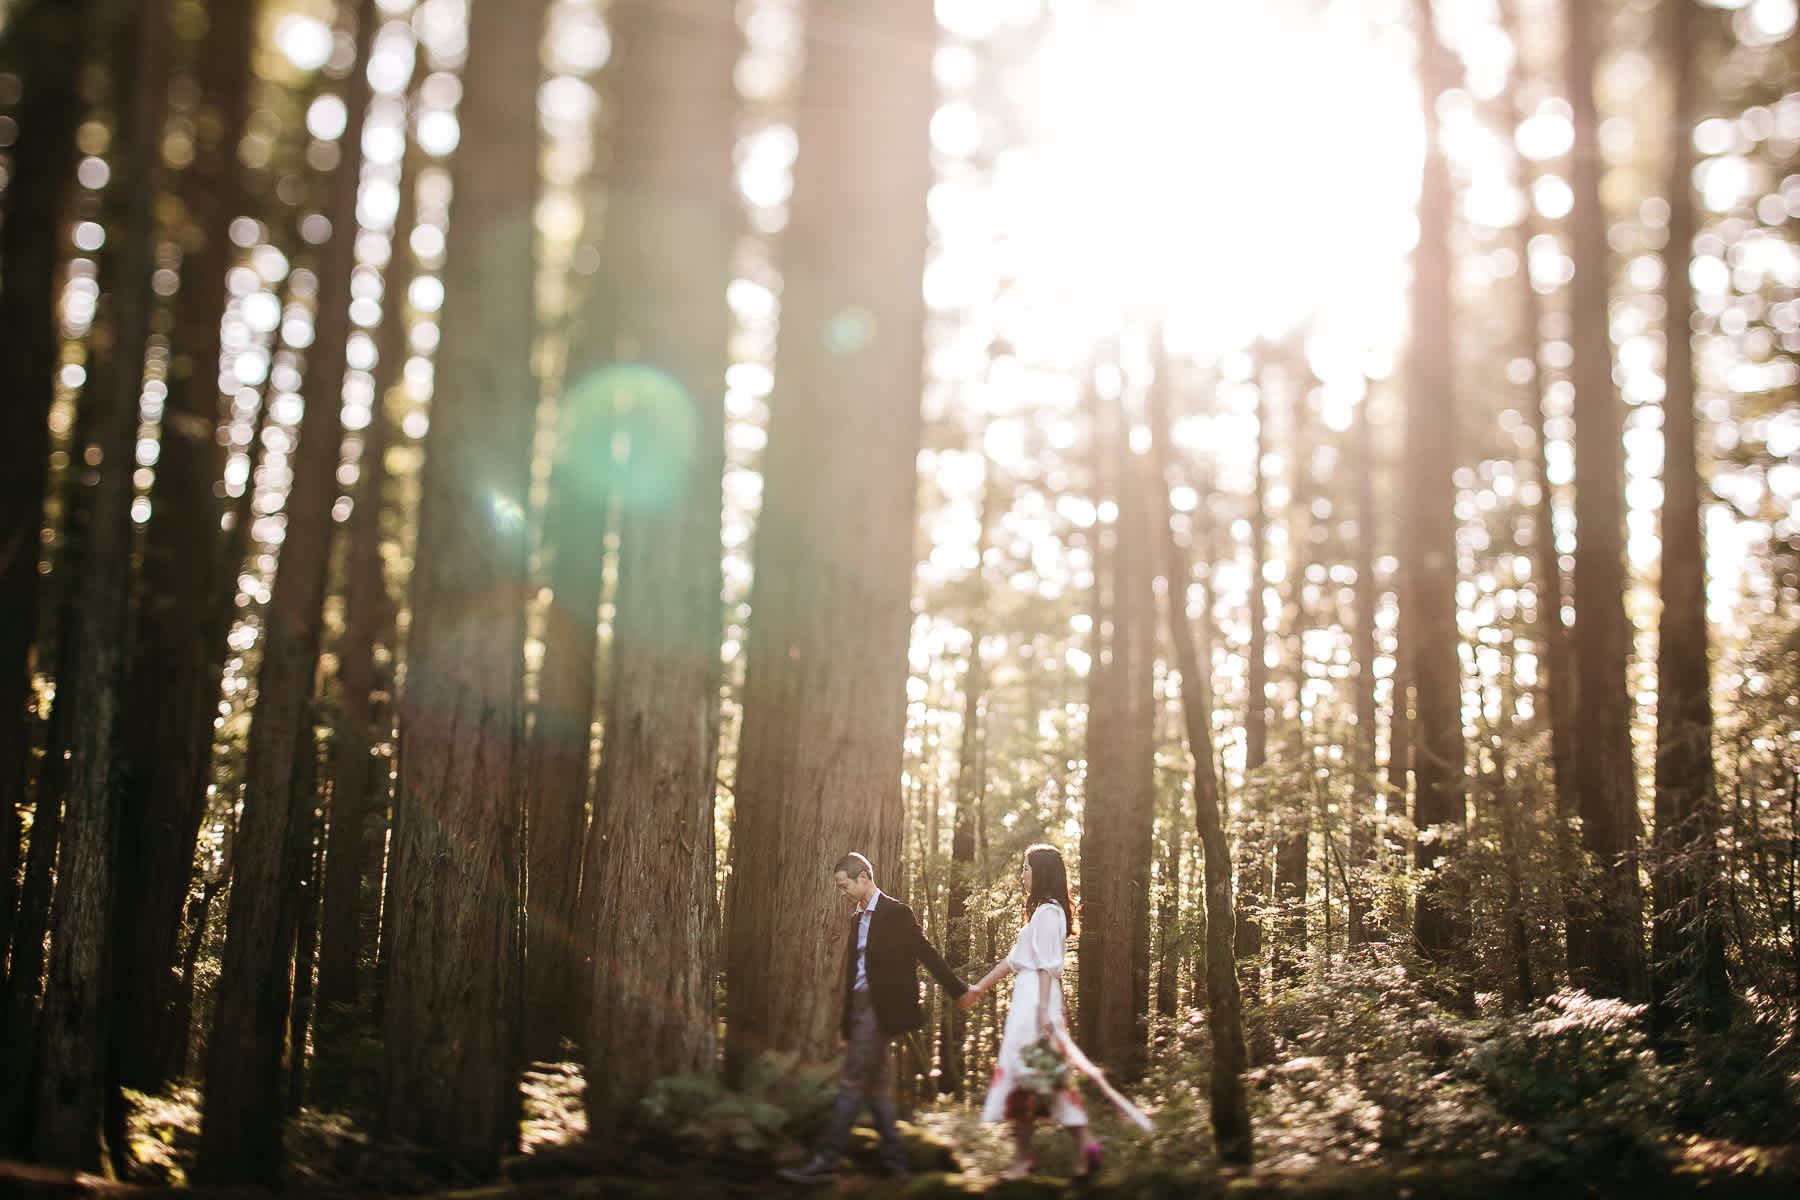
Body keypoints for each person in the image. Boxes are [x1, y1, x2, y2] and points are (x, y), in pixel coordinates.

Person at [778, 852, 970, 1185]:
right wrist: (846, 1026)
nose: (842, 892)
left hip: (882, 1011)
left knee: (852, 1082)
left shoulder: (896, 913)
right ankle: (897, 1166)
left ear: (863, 877)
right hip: (862, 1009)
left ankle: (826, 1161)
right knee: (877, 1087)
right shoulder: (856, 920)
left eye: (844, 885)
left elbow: (927, 952)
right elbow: (853, 976)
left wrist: (958, 991)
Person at [958, 842, 1104, 1181]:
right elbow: (1014, 960)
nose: (1022, 874)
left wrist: (1042, 1013)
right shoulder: (1041, 913)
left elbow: (1047, 967)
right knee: (1026, 1075)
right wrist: (979, 987)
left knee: (1043, 1076)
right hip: (1028, 1003)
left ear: (1041, 873)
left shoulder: (1050, 912)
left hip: (1038, 1006)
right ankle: (1031, 1156)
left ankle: (1074, 1149)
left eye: (1026, 868)